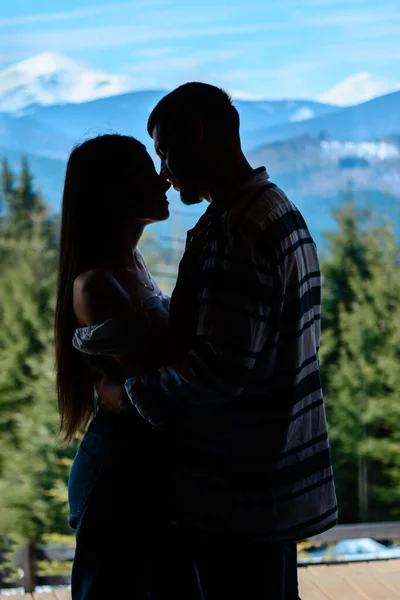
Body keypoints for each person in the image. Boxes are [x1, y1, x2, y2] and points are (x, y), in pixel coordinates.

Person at [97, 83, 338, 600]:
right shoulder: (276, 210)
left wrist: (125, 394)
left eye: (165, 150)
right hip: (270, 478)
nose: (163, 170)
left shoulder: (235, 230)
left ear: (197, 134)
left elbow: (217, 372)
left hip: (237, 492)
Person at [54, 134, 202, 600]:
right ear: (113, 191)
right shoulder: (96, 284)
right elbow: (158, 373)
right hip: (119, 467)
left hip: (143, 464)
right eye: (144, 170)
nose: (161, 176)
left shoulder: (131, 265)